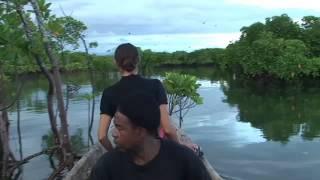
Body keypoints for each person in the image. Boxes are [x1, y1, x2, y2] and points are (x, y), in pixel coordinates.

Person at [91, 93, 211, 180]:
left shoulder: (185, 161)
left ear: (140, 131)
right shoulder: (107, 166)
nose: (113, 133)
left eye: (119, 127)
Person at [98, 43, 178, 152]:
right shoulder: (155, 85)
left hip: (127, 150)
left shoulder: (109, 93)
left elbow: (102, 136)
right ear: (138, 60)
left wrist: (115, 155)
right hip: (153, 150)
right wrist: (181, 149)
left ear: (116, 63)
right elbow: (167, 129)